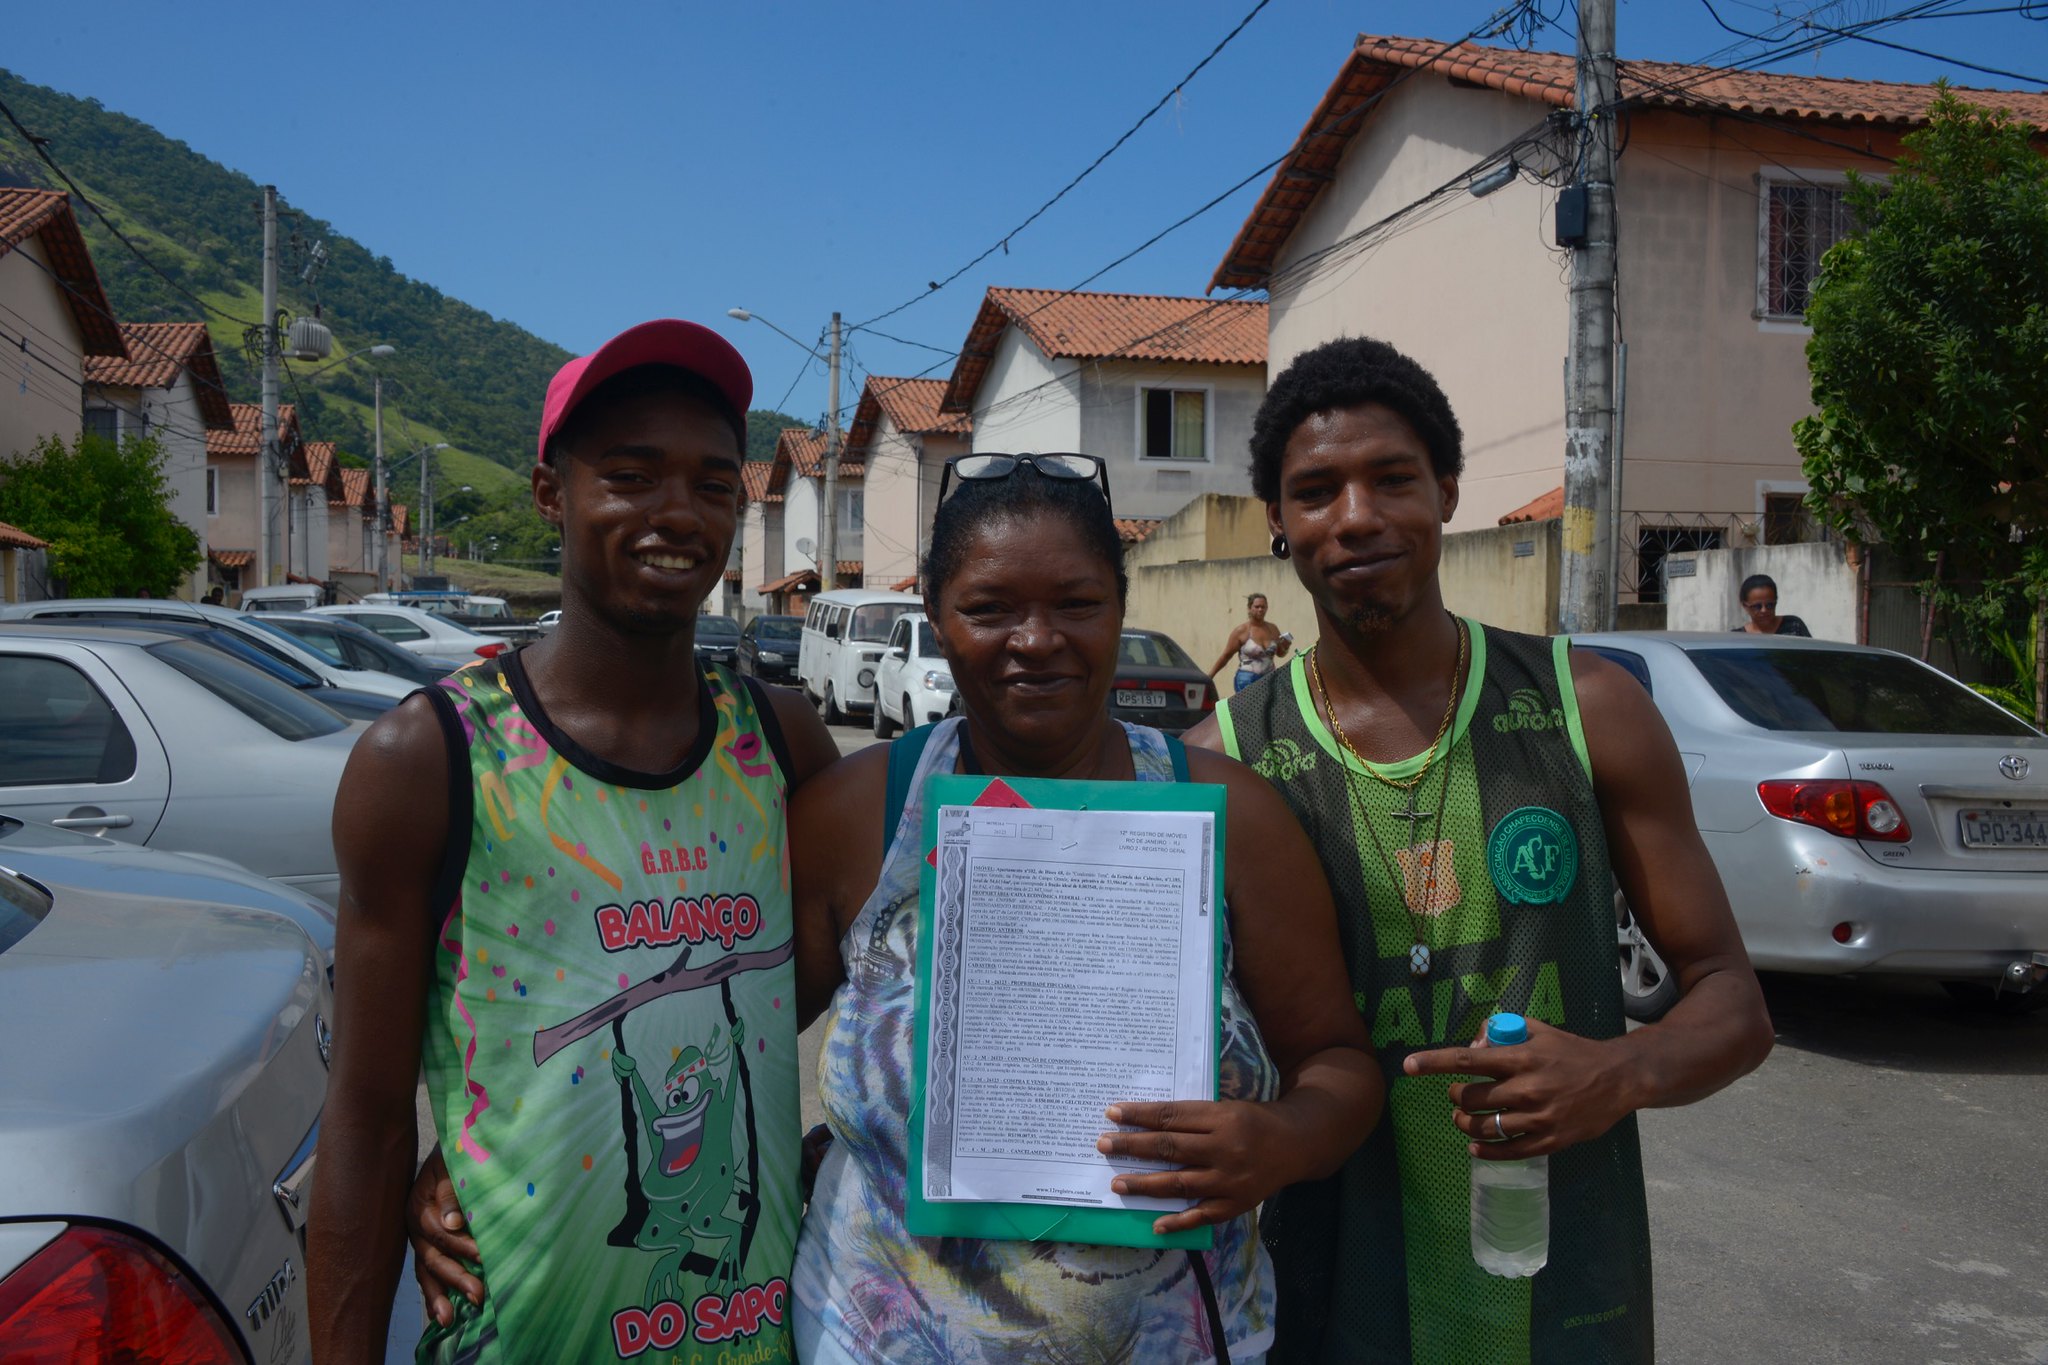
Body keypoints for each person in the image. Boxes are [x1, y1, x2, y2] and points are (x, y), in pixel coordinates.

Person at [1187, 337, 1775, 1364]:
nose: (1357, 516)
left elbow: (1730, 999)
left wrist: (1620, 1070)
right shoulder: (1224, 758)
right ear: (1277, 526)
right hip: (1328, 1297)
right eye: (1315, 491)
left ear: (1447, 492)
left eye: (1392, 479)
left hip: (1565, 1300)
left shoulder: (1585, 707)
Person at [307, 319, 839, 1364]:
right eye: (631, 477)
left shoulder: (783, 743)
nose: (675, 514)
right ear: (552, 492)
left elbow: (837, 982)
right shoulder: (432, 759)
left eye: (712, 484)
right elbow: (364, 1126)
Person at [786, 454, 1381, 1363]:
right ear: (939, 619)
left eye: (1077, 603)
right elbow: (731, 1047)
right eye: (988, 608)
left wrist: (1282, 1139)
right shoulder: (859, 813)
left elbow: (1339, 1061)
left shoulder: (1234, 818)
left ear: (1119, 608)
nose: (1037, 639)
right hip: (878, 1338)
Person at [1209, 591, 1293, 695]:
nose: (1260, 610)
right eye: (1257, 606)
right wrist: (1210, 677)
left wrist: (1286, 646)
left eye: (1263, 607)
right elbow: (1225, 656)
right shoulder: (1241, 631)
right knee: (1249, 709)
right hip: (1247, 679)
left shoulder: (1273, 629)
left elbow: (1280, 654)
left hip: (1269, 678)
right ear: (1249, 608)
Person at [1734, 573, 1811, 636]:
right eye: (1757, 606)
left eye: (1769, 605)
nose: (1764, 610)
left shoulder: (1794, 626)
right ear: (1745, 606)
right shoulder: (1737, 638)